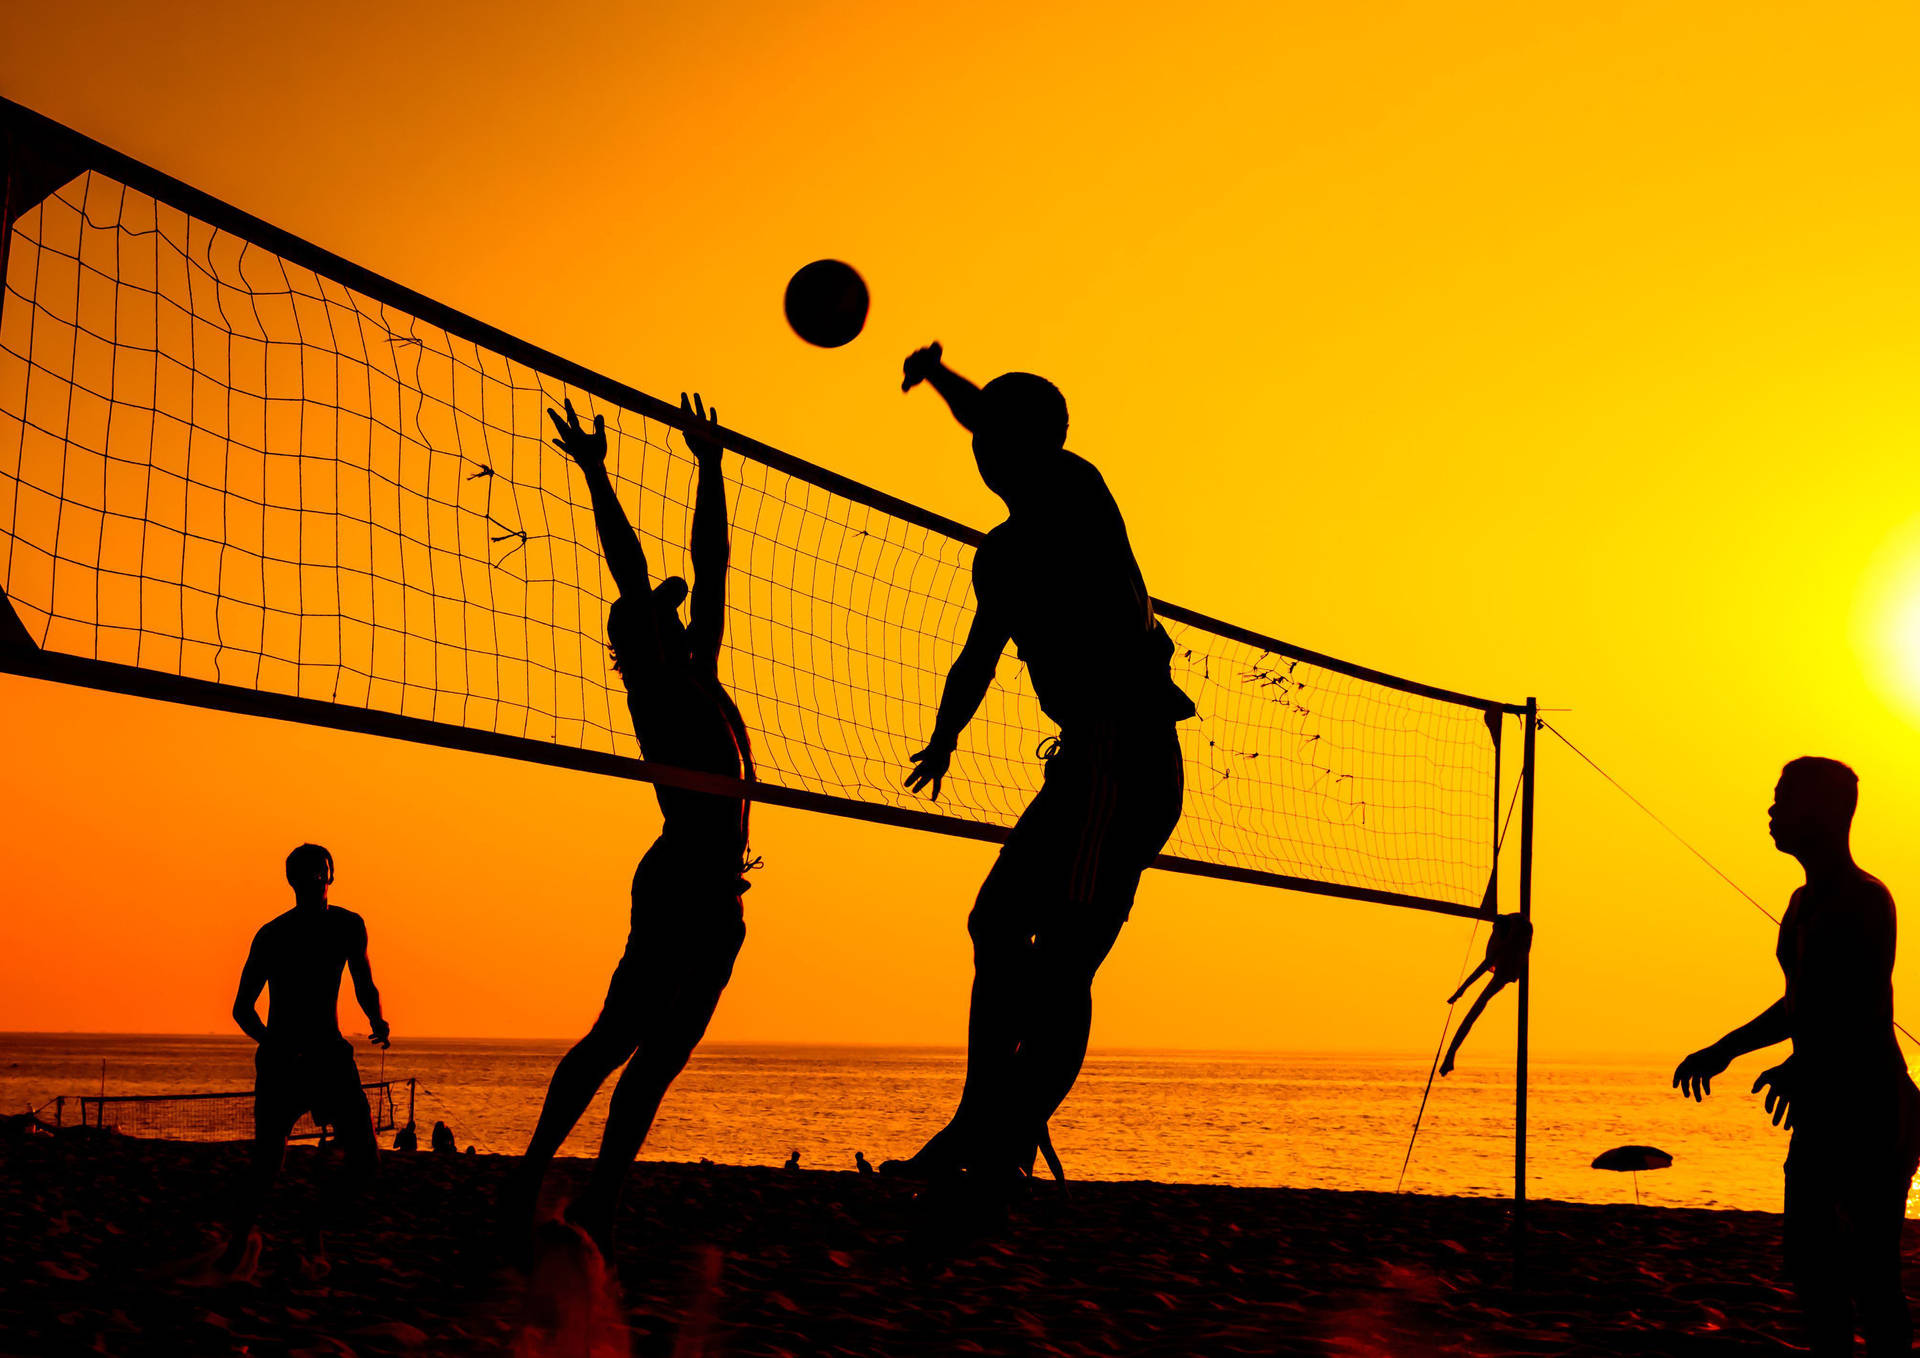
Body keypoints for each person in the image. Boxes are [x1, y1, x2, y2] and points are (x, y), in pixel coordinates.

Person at [887, 343, 1193, 1202]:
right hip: (1084, 768)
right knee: (993, 927)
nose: (982, 452)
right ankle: (986, 1120)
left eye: (995, 439)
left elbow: (999, 418)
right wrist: (944, 738)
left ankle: (998, 1139)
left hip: (1122, 756)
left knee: (1062, 963)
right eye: (980, 441)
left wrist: (950, 383)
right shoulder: (1001, 554)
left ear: (1037, 444)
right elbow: (977, 657)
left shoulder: (1079, 494)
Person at [502, 394, 754, 1256]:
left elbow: (709, 566)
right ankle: (531, 1172)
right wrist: (597, 473)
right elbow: (631, 565)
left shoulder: (697, 668)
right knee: (618, 1036)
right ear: (644, 634)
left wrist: (711, 464)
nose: (678, 606)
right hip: (682, 875)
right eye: (662, 608)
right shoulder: (657, 682)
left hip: (720, 890)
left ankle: (601, 1201)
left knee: (662, 1055)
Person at [1674, 758, 1920, 1356]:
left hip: (1875, 1110)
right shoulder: (1801, 900)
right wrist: (1724, 1048)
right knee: (1813, 1271)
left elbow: (1858, 1007)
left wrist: (1801, 1066)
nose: (1771, 811)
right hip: (1822, 1108)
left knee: (1872, 1277)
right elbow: (1799, 1002)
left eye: (1783, 800)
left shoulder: (1865, 899)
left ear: (1824, 812)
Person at [220, 844, 390, 1274]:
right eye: (307, 873)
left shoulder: (348, 925)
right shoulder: (273, 934)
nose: (316, 880)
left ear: (331, 874)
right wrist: (273, 1043)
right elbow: (242, 1007)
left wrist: (377, 1019)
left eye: (321, 872)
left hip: (331, 1056)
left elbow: (363, 981)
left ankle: (312, 1223)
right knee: (266, 1167)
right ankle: (236, 1248)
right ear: (292, 880)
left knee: (366, 1164)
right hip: (283, 1063)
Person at [1438, 912, 1532, 1076]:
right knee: (1476, 1008)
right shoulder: (1507, 928)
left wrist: (1461, 991)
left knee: (1476, 1007)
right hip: (1510, 955)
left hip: (1511, 965)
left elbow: (1485, 965)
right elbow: (1486, 964)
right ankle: (1450, 1054)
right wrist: (1461, 991)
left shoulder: (1511, 940)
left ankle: (1450, 1054)